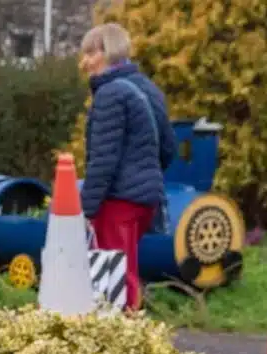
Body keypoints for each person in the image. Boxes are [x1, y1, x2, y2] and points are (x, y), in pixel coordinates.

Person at [79, 23, 176, 311]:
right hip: (145, 200)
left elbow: (103, 159)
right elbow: (168, 147)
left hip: (118, 200)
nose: (83, 63)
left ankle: (126, 346)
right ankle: (132, 341)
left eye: (89, 54)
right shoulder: (148, 89)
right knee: (127, 271)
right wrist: (145, 174)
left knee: (116, 279)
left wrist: (87, 207)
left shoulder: (110, 94)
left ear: (107, 53)